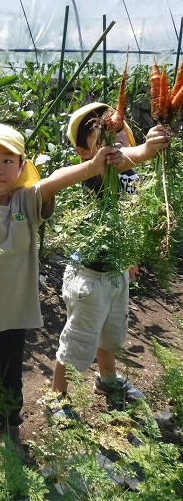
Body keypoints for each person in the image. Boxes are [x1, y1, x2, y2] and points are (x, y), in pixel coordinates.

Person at [0, 123, 127, 455]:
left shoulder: (27, 202)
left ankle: (9, 430)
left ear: (22, 167)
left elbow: (56, 180)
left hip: (14, 318)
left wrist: (93, 166)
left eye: (7, 159)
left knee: (10, 381)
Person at [47, 103, 171, 420]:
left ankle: (107, 380)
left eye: (119, 138)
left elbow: (127, 219)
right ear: (84, 153)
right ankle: (56, 396)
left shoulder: (130, 174)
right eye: (103, 141)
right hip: (88, 277)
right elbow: (136, 155)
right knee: (78, 341)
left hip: (115, 273)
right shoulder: (95, 172)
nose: (114, 148)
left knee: (111, 336)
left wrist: (129, 257)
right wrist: (148, 147)